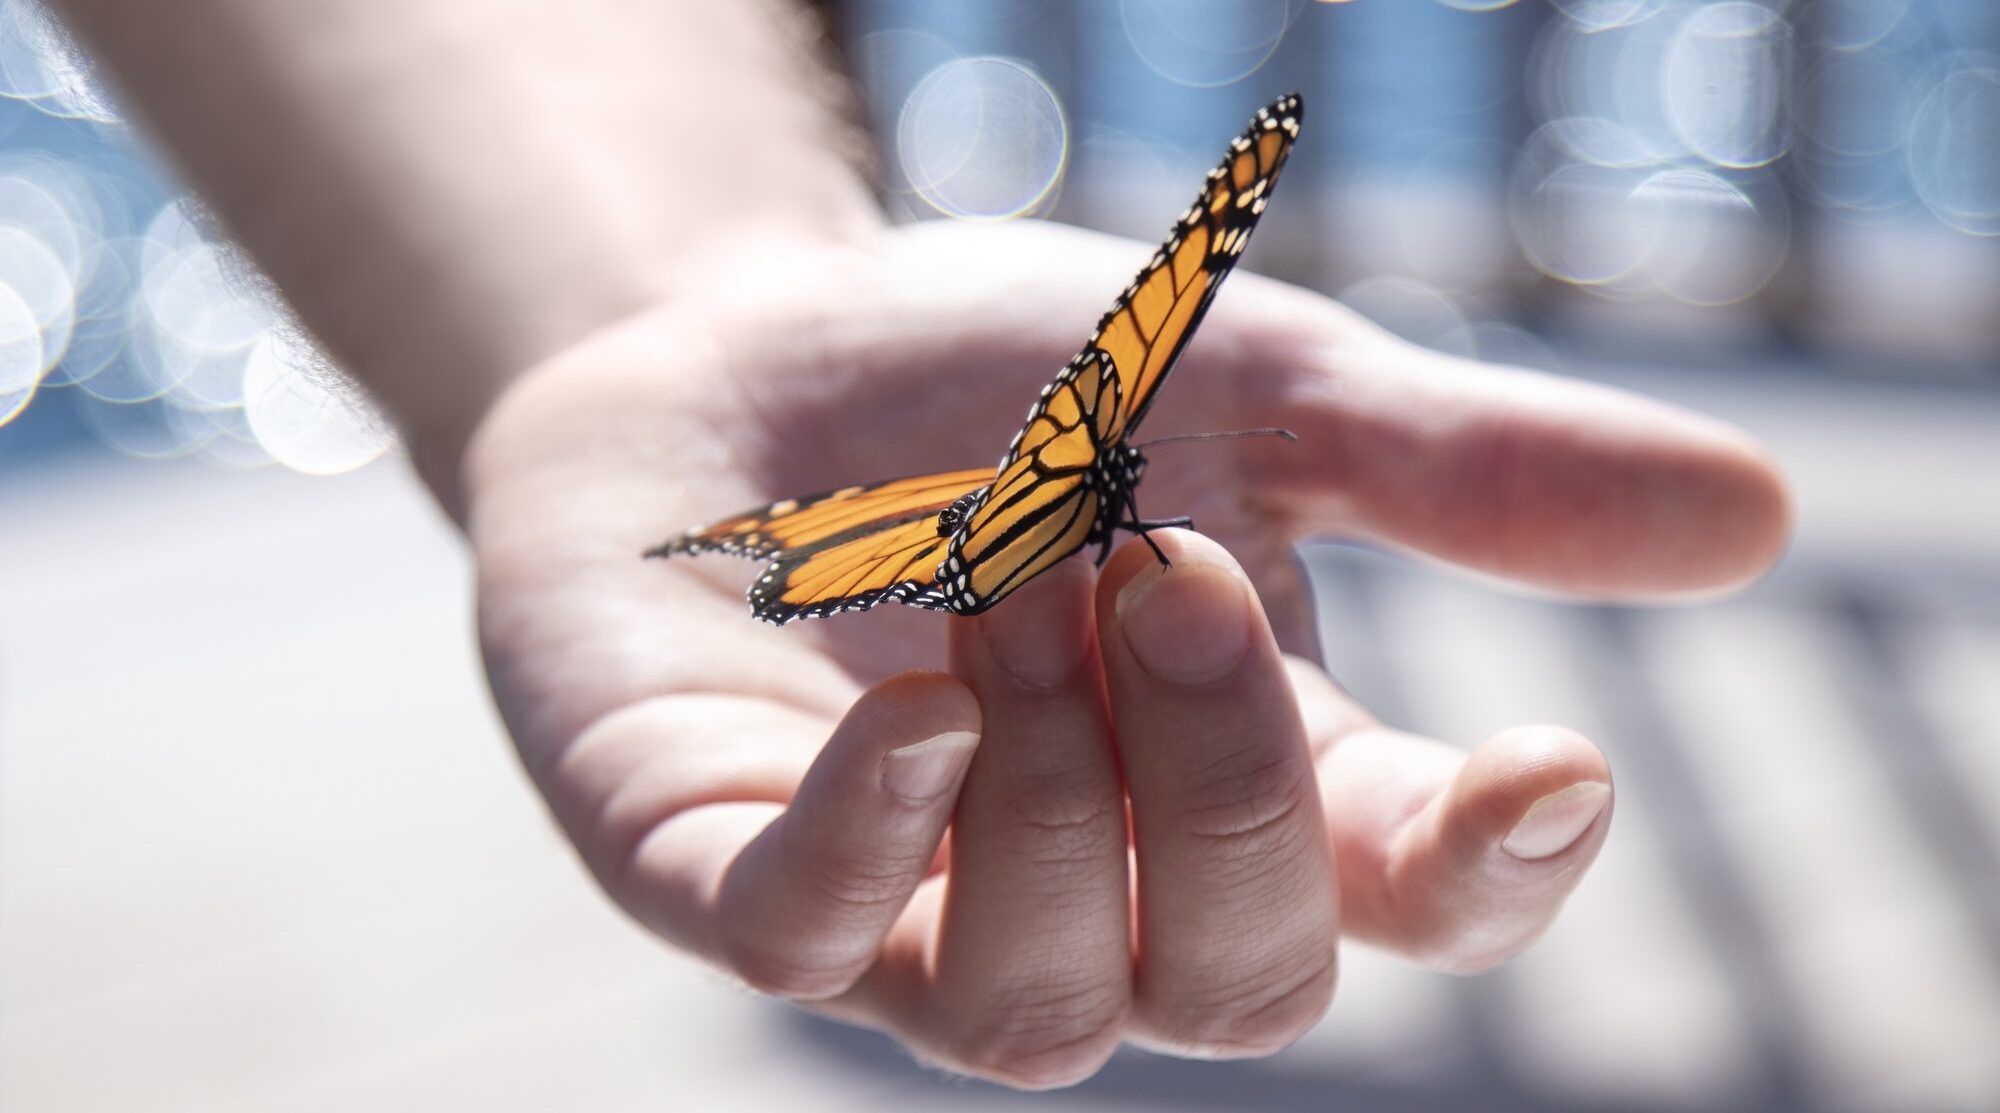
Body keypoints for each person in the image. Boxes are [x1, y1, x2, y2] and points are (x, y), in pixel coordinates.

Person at [49, 0, 1789, 1089]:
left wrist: (682, 302)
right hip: (950, 528)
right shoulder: (1090, 450)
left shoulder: (1088, 454)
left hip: (942, 519)